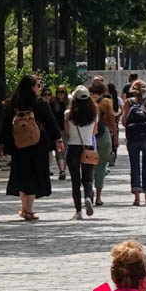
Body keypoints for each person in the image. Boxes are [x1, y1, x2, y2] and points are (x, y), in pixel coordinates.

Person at [0, 75, 60, 221]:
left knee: (22, 176)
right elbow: (50, 121)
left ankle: (24, 208)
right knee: (33, 176)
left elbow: (5, 124)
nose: (39, 88)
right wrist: (58, 139)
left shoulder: (12, 103)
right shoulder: (39, 103)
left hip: (18, 145)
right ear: (31, 87)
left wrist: (1, 143)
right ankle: (29, 210)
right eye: (38, 85)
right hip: (37, 144)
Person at [61, 86, 99, 220]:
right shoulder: (94, 114)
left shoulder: (68, 114)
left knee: (75, 181)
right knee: (88, 178)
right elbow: (95, 131)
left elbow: (66, 133)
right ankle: (88, 197)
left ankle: (78, 211)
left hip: (73, 148)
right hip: (88, 147)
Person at [123, 80, 146, 206]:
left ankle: (137, 197)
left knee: (134, 166)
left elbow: (124, 121)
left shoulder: (128, 102)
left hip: (133, 137)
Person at [88, 77, 118, 210]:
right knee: (100, 167)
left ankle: (89, 193)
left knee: (89, 166)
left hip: (88, 136)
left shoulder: (87, 101)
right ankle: (98, 197)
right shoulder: (106, 101)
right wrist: (115, 137)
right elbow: (111, 120)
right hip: (103, 134)